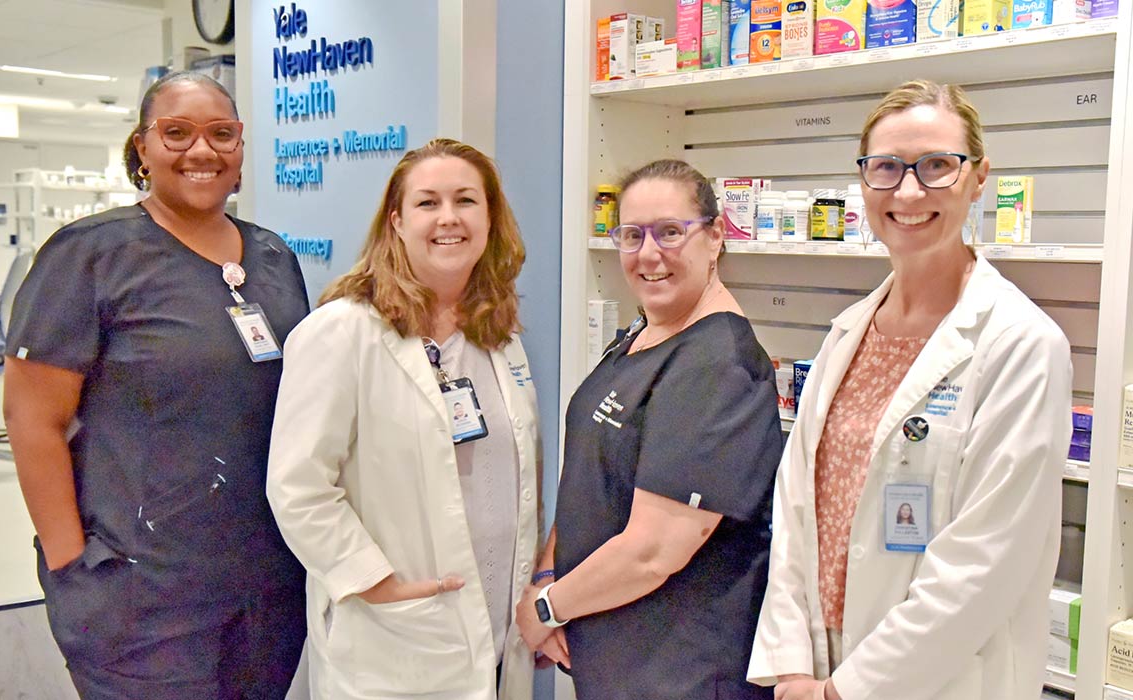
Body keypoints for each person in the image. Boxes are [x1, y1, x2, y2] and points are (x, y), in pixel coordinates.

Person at [748, 80, 1072, 700]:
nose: (909, 191)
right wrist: (794, 667)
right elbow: (796, 510)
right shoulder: (849, 331)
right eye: (886, 168)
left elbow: (984, 566)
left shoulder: (1022, 344)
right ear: (863, 181)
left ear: (978, 178)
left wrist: (849, 691)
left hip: (935, 680)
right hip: (817, 666)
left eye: (937, 167)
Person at [2, 71, 309, 698]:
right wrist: (72, 569)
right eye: (177, 133)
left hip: (266, 591)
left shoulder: (274, 257)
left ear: (242, 147)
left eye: (221, 134)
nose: (202, 151)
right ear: (143, 149)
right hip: (139, 601)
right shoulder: (90, 253)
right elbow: (33, 419)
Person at [266, 138, 542, 700]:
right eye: (427, 203)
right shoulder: (343, 332)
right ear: (396, 221)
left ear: (490, 219)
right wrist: (373, 580)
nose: (449, 218)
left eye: (466, 201)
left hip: (495, 627)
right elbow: (297, 485)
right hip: (396, 633)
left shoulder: (498, 334)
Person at [516, 159, 781, 699]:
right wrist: (548, 578)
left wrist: (545, 608)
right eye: (632, 235)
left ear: (715, 237)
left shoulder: (718, 365)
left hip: (679, 669)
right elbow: (589, 480)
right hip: (612, 653)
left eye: (669, 232)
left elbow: (653, 551)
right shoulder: (644, 335)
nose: (648, 254)